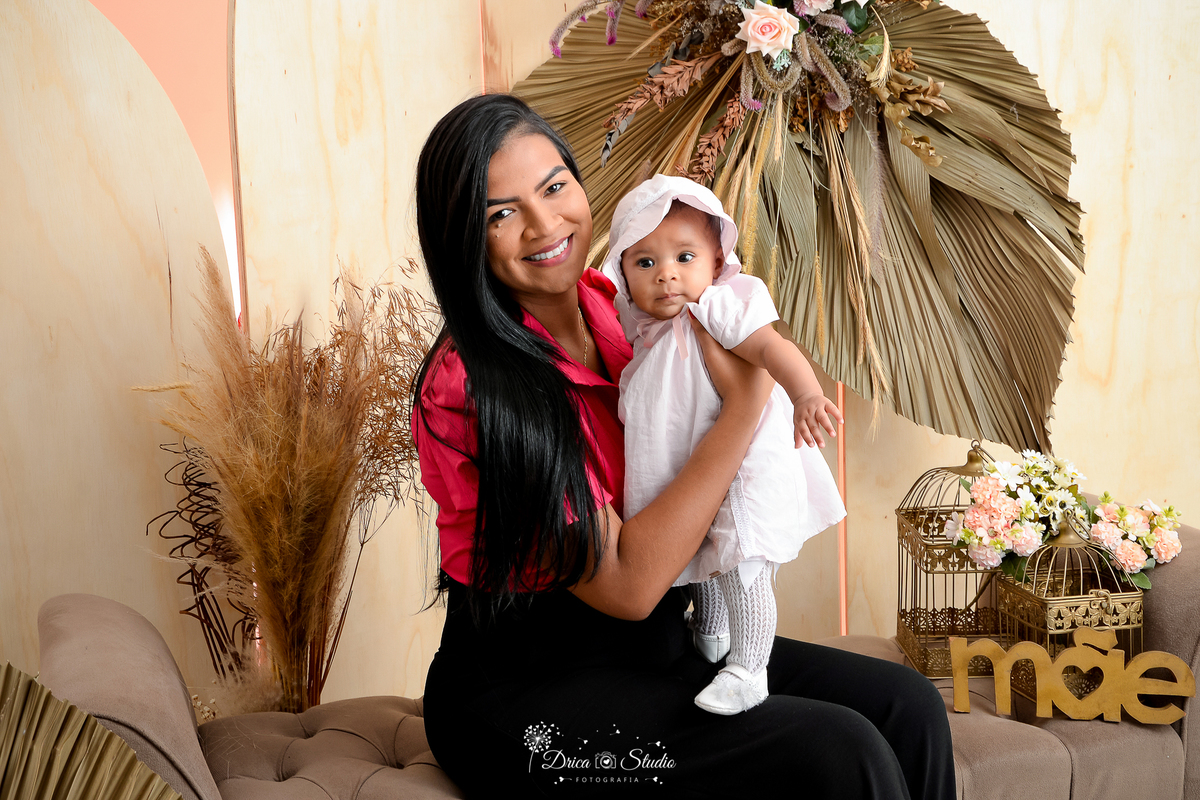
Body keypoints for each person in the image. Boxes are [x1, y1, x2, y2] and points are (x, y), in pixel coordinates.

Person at [412, 93, 955, 799]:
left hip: (657, 649)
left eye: (554, 187)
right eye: (502, 213)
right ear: (464, 238)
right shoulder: (471, 385)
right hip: (526, 694)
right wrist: (747, 402)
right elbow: (631, 587)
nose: (546, 224)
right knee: (838, 752)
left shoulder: (620, 305)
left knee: (906, 707)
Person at [600, 174, 846, 715]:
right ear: (621, 273)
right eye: (645, 263)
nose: (666, 274)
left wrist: (805, 392)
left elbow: (769, 347)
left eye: (684, 256)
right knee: (701, 550)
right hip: (691, 471)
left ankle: (749, 667)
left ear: (716, 262)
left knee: (741, 560)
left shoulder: (715, 307)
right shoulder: (642, 334)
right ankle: (711, 633)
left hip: (741, 469)